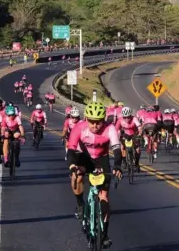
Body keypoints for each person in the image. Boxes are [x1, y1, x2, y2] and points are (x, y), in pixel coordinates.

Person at [67, 102, 122, 248]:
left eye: (98, 122)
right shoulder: (79, 127)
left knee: (104, 198)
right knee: (76, 176)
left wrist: (117, 166)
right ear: (86, 118)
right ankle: (80, 204)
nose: (95, 125)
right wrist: (72, 166)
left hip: (101, 160)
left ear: (103, 120)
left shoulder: (110, 128)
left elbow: (116, 149)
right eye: (91, 121)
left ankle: (104, 234)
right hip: (83, 157)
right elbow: (71, 149)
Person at [115, 107, 142, 171]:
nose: (127, 119)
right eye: (125, 117)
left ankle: (136, 163)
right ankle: (124, 162)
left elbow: (139, 127)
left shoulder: (134, 118)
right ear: (122, 116)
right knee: (122, 148)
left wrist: (140, 134)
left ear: (130, 115)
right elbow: (116, 129)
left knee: (138, 149)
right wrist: (117, 137)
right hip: (125, 135)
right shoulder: (120, 120)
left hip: (134, 134)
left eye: (128, 117)